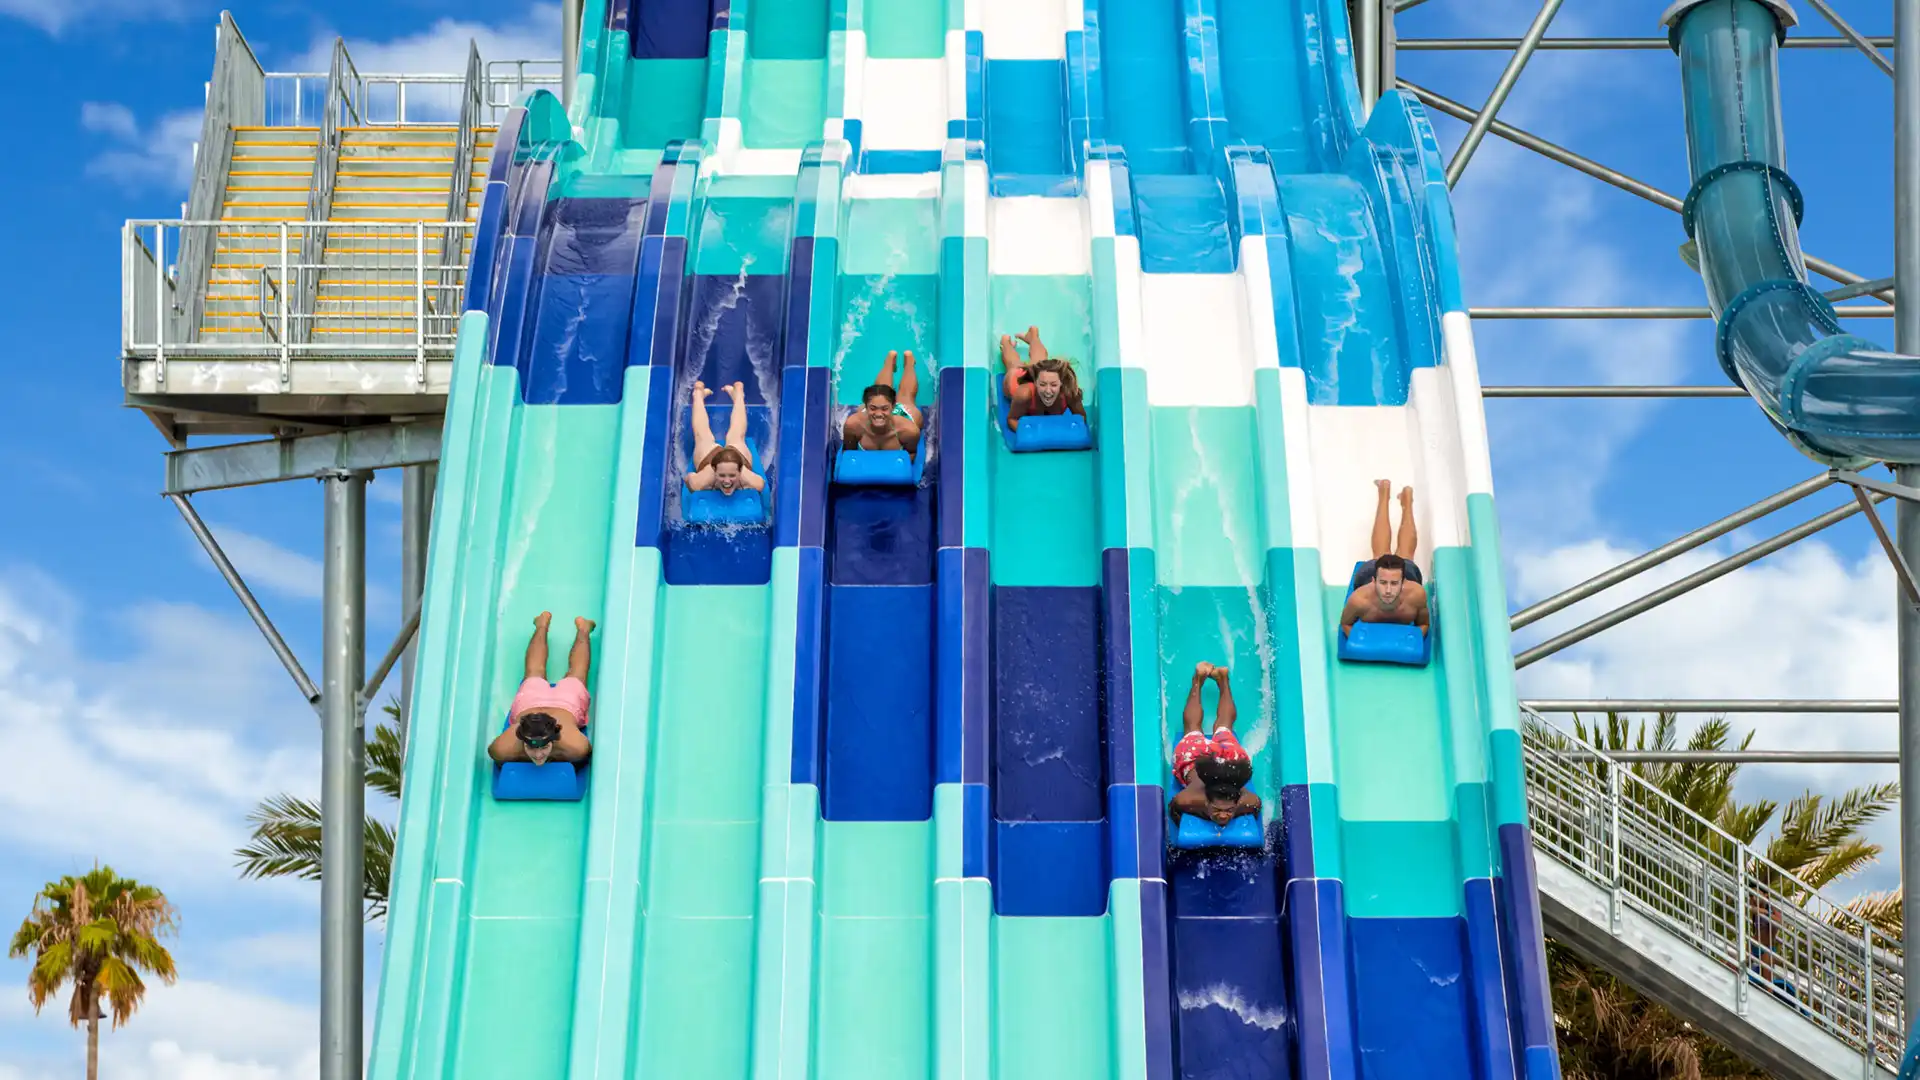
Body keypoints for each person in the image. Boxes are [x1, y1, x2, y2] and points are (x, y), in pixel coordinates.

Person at [488, 612, 595, 767]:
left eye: (544, 747)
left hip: (557, 703)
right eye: (531, 748)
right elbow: (494, 752)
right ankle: (580, 628)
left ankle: (544, 624)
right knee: (572, 673)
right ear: (521, 739)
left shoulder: (576, 747)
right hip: (549, 702)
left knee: (536, 671)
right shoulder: (501, 749)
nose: (538, 755)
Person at [1169, 662, 1261, 827]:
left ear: (1236, 803)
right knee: (1194, 728)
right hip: (1196, 759)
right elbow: (1174, 807)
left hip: (1226, 759)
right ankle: (1200, 679)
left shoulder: (1245, 803)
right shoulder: (1189, 800)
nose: (1224, 816)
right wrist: (1201, 815)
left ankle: (1221, 679)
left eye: (1229, 811)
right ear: (1206, 802)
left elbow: (1256, 804)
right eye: (1217, 810)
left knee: (1216, 728)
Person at [1339, 480, 1431, 637]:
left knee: (1406, 555)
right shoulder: (1359, 600)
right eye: (1382, 583)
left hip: (1405, 571)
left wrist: (1413, 640)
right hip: (1369, 572)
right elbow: (1345, 624)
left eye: (1394, 584)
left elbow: (1423, 624)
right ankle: (1384, 493)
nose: (1388, 590)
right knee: (1380, 556)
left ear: (1404, 582)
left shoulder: (1416, 595)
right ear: (1374, 581)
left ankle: (1407, 501)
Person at [685, 380, 765, 496]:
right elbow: (688, 479)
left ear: (740, 471)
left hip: (737, 456)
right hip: (710, 457)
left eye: (732, 475)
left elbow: (761, 483)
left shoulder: (752, 481)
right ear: (714, 471)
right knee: (701, 436)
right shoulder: (701, 481)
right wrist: (695, 478)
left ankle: (738, 394)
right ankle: (698, 394)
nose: (727, 481)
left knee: (737, 435)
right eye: (722, 475)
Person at [999, 326, 1086, 430]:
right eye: (1042, 385)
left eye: (1054, 385)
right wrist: (1028, 434)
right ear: (1035, 382)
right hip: (1016, 381)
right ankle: (1005, 342)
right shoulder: (1023, 394)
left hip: (1041, 375)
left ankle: (1033, 336)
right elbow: (1012, 419)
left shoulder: (1070, 393)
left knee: (1039, 359)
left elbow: (1081, 418)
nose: (1048, 391)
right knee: (1014, 364)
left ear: (1061, 383)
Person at [842, 349, 923, 456]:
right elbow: (848, 454)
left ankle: (909, 364)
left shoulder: (909, 431)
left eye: (884, 409)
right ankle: (888, 363)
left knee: (906, 395)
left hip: (902, 416)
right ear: (866, 406)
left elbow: (911, 455)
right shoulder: (853, 426)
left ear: (893, 407)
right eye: (872, 408)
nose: (878, 414)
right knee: (880, 392)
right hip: (867, 416)